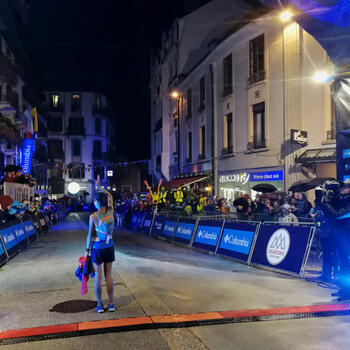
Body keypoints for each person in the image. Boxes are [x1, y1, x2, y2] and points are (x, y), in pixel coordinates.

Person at [86, 175, 116, 313]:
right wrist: (100, 187)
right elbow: (110, 195)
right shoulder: (111, 211)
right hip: (109, 247)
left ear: (97, 203)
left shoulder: (93, 216)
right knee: (108, 275)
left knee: (98, 277)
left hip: (97, 248)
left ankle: (99, 305)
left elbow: (89, 235)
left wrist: (87, 250)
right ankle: (111, 304)